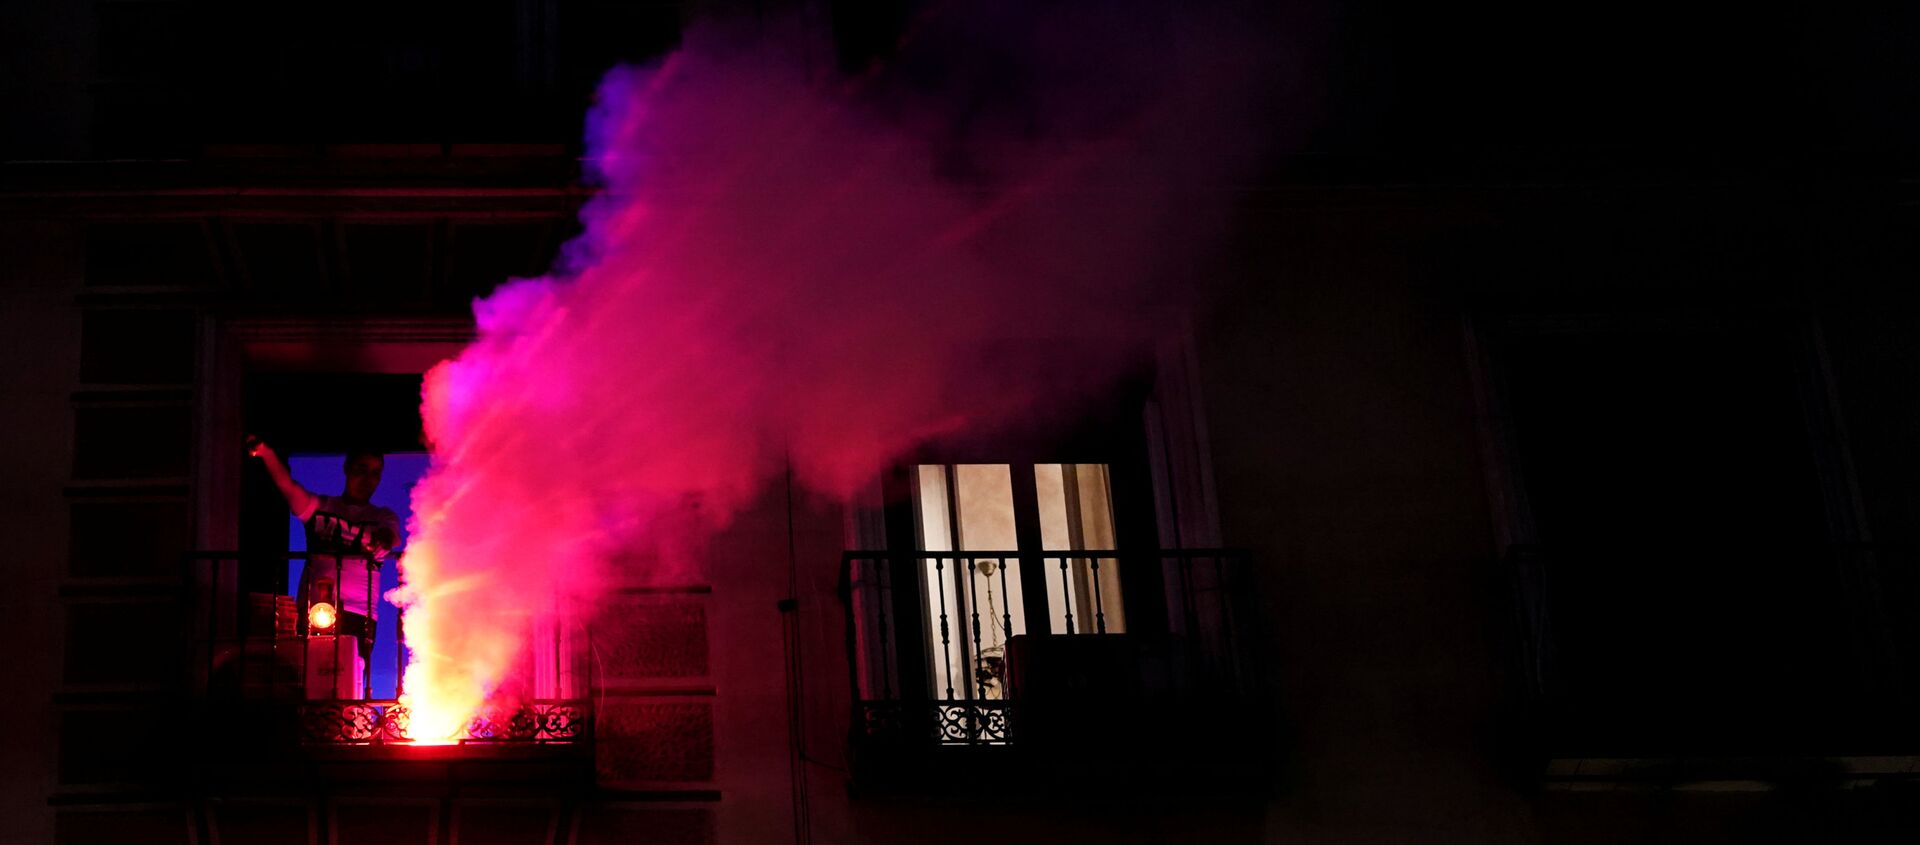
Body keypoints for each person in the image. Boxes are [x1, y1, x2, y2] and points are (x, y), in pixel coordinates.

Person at [247, 436, 400, 662]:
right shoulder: (320, 507)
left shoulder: (382, 516)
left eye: (376, 473)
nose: (368, 478)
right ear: (347, 468)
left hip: (360, 613)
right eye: (362, 469)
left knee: (352, 678)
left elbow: (391, 536)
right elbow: (288, 487)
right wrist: (266, 454)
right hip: (314, 609)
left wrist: (384, 541)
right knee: (310, 673)